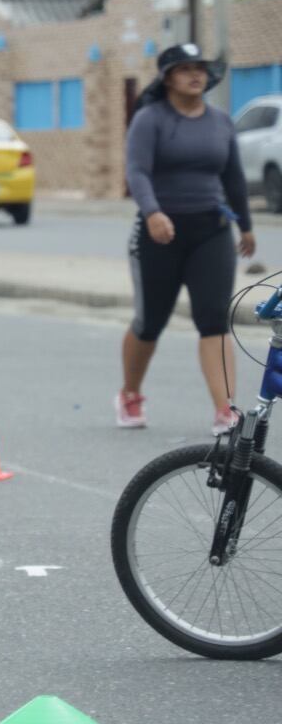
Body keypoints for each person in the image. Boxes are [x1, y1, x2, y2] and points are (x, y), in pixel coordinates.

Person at [118, 43, 256, 433]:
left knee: (214, 319)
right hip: (159, 233)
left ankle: (224, 409)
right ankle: (130, 393)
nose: (195, 75)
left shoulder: (220, 122)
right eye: (185, 69)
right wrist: (153, 212)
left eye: (201, 68)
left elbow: (233, 177)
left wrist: (245, 225)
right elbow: (137, 172)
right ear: (167, 78)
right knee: (151, 322)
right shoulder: (150, 119)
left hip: (211, 229)